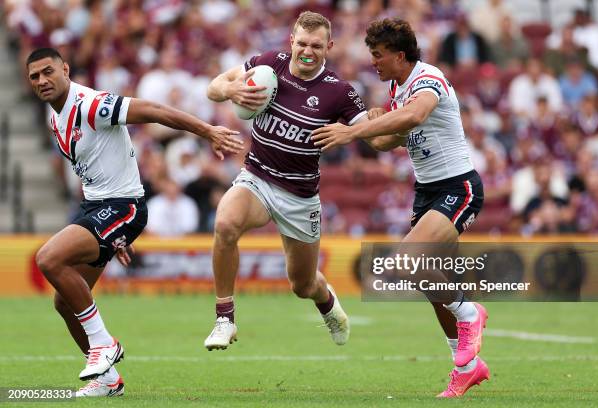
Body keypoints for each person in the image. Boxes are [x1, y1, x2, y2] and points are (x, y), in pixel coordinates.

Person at [27, 47, 243, 397]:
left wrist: (208, 131)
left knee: (48, 258)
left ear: (65, 69)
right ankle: (108, 381)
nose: (42, 80)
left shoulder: (91, 104)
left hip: (124, 207)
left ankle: (104, 344)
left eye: (48, 71)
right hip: (99, 210)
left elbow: (154, 110)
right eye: (35, 76)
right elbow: (92, 171)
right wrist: (107, 236)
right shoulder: (56, 118)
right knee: (63, 302)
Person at [312, 18, 489, 398]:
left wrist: (354, 131)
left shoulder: (428, 79)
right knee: (434, 285)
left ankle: (471, 314)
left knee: (405, 261)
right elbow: (388, 141)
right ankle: (467, 367)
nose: (372, 62)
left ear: (399, 55)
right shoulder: (397, 87)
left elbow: (414, 116)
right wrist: (367, 125)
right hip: (427, 193)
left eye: (377, 55)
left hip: (458, 188)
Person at [204, 11, 368, 351]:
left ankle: (329, 306)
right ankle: (224, 319)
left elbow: (375, 135)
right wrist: (231, 89)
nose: (308, 51)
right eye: (302, 43)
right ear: (291, 41)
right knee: (225, 223)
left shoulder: (339, 92)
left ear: (329, 47)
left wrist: (352, 131)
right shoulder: (268, 66)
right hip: (257, 177)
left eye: (317, 46)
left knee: (303, 284)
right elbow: (214, 87)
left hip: (299, 195)